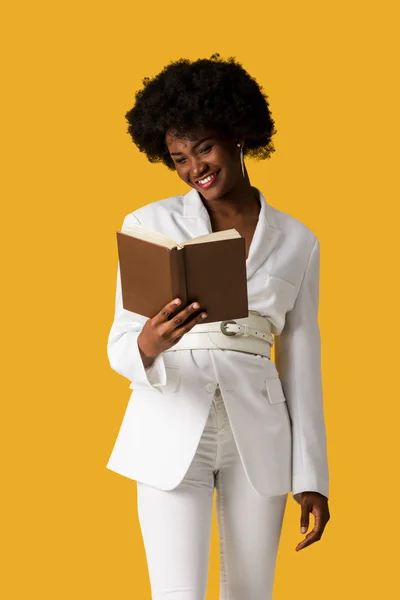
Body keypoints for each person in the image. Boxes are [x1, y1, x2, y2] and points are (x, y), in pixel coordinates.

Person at [106, 53, 330, 600]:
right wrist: (150, 342)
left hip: (258, 431)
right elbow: (118, 344)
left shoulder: (299, 241)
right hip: (169, 419)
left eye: (203, 147)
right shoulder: (147, 223)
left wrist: (313, 479)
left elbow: (301, 362)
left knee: (251, 593)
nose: (193, 168)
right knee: (176, 593)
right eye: (179, 158)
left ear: (238, 135)